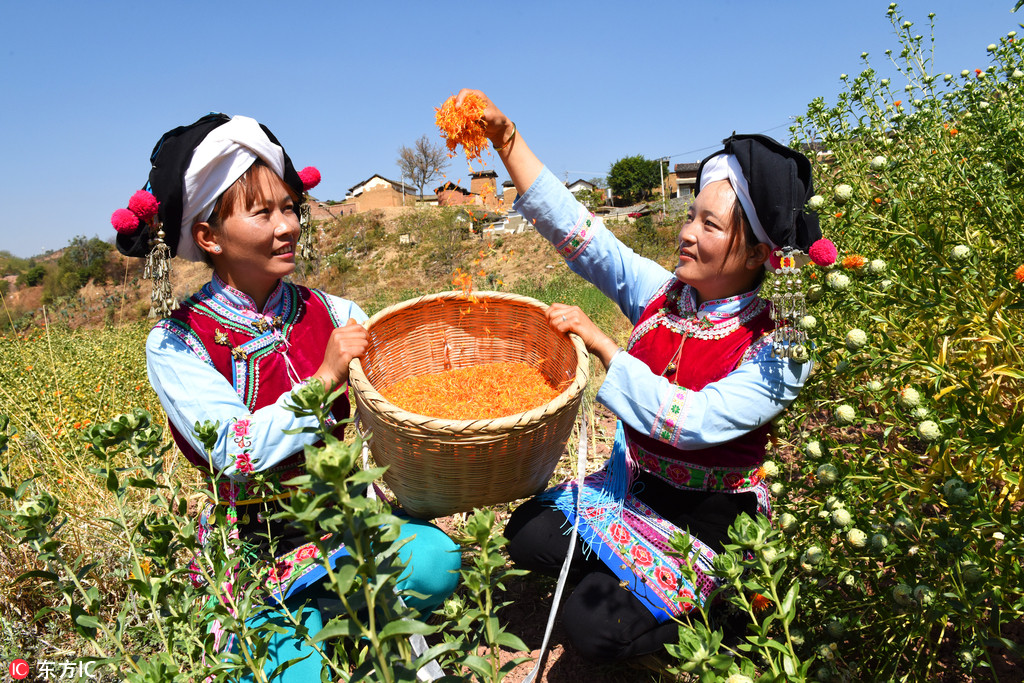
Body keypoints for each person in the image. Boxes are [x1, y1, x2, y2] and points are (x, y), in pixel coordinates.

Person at [453, 89, 831, 661]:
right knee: (528, 531)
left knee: (591, 628)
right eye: (690, 216)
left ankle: (719, 605)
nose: (687, 232)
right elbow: (584, 237)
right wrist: (507, 141)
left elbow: (695, 422)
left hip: (705, 519)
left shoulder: (780, 346)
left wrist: (605, 345)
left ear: (757, 255)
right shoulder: (665, 296)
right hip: (633, 492)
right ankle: (632, 579)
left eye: (710, 224)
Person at [113, 113, 461, 680]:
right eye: (262, 212)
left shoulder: (334, 312)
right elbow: (231, 451)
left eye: (289, 208)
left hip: (346, 517)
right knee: (296, 672)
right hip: (258, 541)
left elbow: (398, 394)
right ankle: (311, 630)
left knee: (437, 562)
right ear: (208, 237)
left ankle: (350, 620)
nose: (288, 225)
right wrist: (324, 379)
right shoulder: (176, 343)